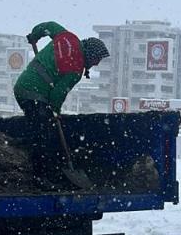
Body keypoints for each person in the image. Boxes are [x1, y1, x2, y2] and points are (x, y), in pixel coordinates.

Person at [13, 22, 110, 185]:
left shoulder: (68, 37)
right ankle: (40, 177)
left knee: (39, 128)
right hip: (35, 94)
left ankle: (32, 160)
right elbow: (58, 94)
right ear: (91, 55)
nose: (96, 64)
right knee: (44, 136)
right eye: (96, 60)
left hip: (22, 86)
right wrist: (55, 111)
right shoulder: (76, 68)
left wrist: (35, 35)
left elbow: (49, 25)